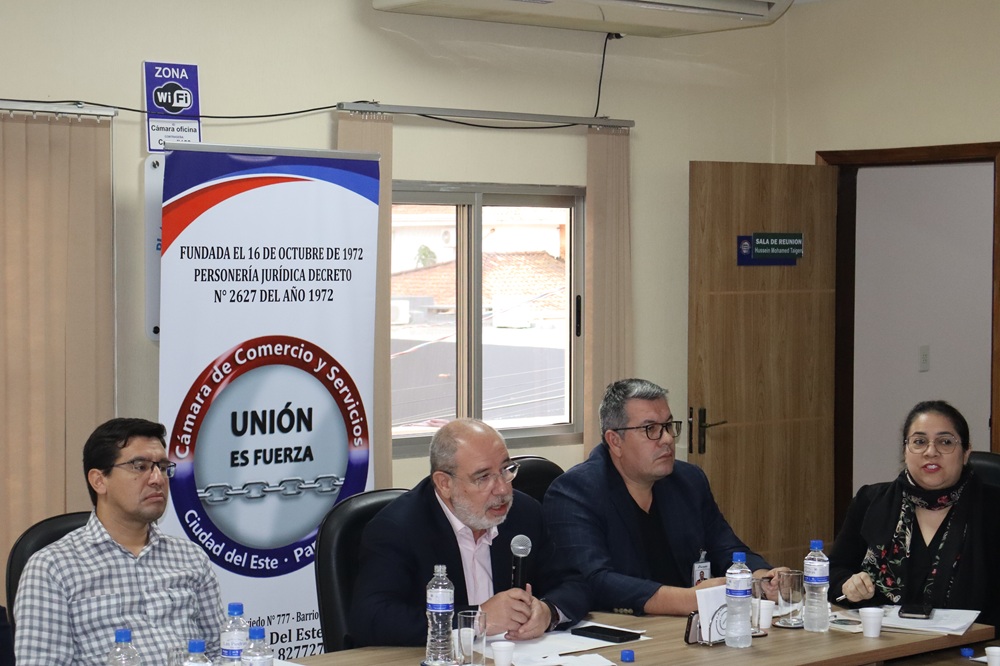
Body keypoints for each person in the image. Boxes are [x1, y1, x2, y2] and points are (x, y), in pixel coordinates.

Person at [543, 378, 784, 616]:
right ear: (615, 442)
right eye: (651, 429)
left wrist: (761, 578)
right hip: (619, 628)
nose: (668, 439)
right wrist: (689, 599)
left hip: (688, 625)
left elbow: (726, 548)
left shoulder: (688, 481)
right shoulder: (575, 492)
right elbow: (594, 580)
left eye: (668, 426)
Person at [349, 418, 590, 646]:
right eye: (483, 477)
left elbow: (574, 583)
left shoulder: (525, 513)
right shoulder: (398, 528)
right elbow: (371, 617)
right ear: (444, 483)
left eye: (506, 469)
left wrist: (548, 612)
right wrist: (477, 619)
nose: (502, 489)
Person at [14, 418, 224, 664]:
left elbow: (222, 651)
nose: (157, 479)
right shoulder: (52, 568)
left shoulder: (191, 557)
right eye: (140, 466)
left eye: (162, 467)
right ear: (99, 480)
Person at [828, 400, 1000, 626]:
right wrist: (848, 585)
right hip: (879, 639)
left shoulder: (992, 507)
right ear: (905, 450)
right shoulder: (870, 501)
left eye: (945, 442)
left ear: (966, 452)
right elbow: (832, 571)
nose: (931, 452)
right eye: (919, 442)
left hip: (973, 643)